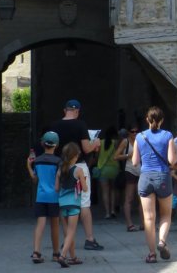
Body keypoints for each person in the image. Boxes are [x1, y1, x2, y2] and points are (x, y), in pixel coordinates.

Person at [51, 99, 103, 251]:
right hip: (79, 166)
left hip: (62, 166)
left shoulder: (55, 126)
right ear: (77, 111)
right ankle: (89, 239)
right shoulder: (80, 125)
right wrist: (96, 143)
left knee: (64, 202)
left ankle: (67, 240)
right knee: (84, 202)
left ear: (64, 110)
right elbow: (86, 149)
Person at [132, 106, 177, 264]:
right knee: (165, 214)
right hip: (163, 177)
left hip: (145, 177)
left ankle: (152, 254)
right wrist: (176, 148)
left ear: (147, 119)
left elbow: (134, 162)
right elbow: (172, 161)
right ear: (162, 120)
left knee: (148, 218)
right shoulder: (168, 135)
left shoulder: (140, 137)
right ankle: (162, 241)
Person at [27, 131, 62, 264]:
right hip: (54, 197)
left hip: (41, 196)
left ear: (42, 144)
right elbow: (60, 179)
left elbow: (35, 180)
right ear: (56, 145)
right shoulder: (58, 161)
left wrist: (28, 166)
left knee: (40, 224)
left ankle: (36, 252)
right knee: (55, 225)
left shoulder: (37, 160)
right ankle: (56, 253)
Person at [56, 142, 86, 267]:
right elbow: (85, 188)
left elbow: (56, 188)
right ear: (75, 155)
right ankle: (63, 256)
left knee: (67, 232)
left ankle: (73, 257)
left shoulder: (60, 169)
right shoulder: (78, 170)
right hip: (74, 203)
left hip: (62, 203)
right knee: (72, 231)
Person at [115, 122, 143, 232]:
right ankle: (129, 224)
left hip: (141, 170)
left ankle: (143, 223)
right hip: (130, 170)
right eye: (132, 131)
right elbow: (116, 156)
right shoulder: (125, 142)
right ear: (128, 132)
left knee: (142, 198)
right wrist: (128, 155)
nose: (135, 133)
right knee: (129, 198)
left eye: (136, 131)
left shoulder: (141, 141)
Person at [94, 125, 120, 220]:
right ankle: (113, 210)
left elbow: (96, 156)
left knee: (105, 191)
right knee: (113, 190)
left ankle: (107, 213)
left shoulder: (100, 142)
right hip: (114, 168)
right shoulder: (116, 143)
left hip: (103, 169)